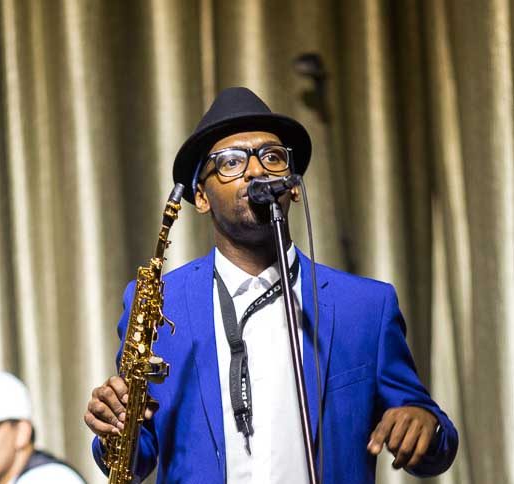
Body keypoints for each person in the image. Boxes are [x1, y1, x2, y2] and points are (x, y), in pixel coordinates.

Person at [84, 87, 458, 483]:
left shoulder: (366, 306)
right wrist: (113, 431)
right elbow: (135, 458)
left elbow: (434, 443)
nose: (255, 171)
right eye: (230, 162)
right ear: (201, 197)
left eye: (272, 157)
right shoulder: (161, 304)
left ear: (293, 186)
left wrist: (425, 425)